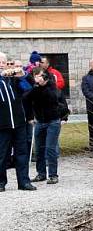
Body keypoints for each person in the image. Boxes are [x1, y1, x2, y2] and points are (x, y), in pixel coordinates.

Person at [25, 68, 69, 184]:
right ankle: (41, 173)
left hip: (53, 121)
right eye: (35, 76)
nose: (37, 78)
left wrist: (64, 118)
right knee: (39, 149)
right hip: (40, 121)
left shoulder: (53, 88)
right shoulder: (35, 89)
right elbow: (26, 100)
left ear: (45, 76)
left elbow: (60, 102)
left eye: (40, 76)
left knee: (50, 148)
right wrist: (30, 117)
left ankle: (53, 175)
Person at [0, 52, 37, 192]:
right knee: (2, 154)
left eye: (3, 62)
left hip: (19, 123)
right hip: (2, 125)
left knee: (22, 153)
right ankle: (1, 182)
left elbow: (28, 89)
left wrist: (23, 76)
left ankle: (24, 182)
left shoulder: (13, 80)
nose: (1, 65)